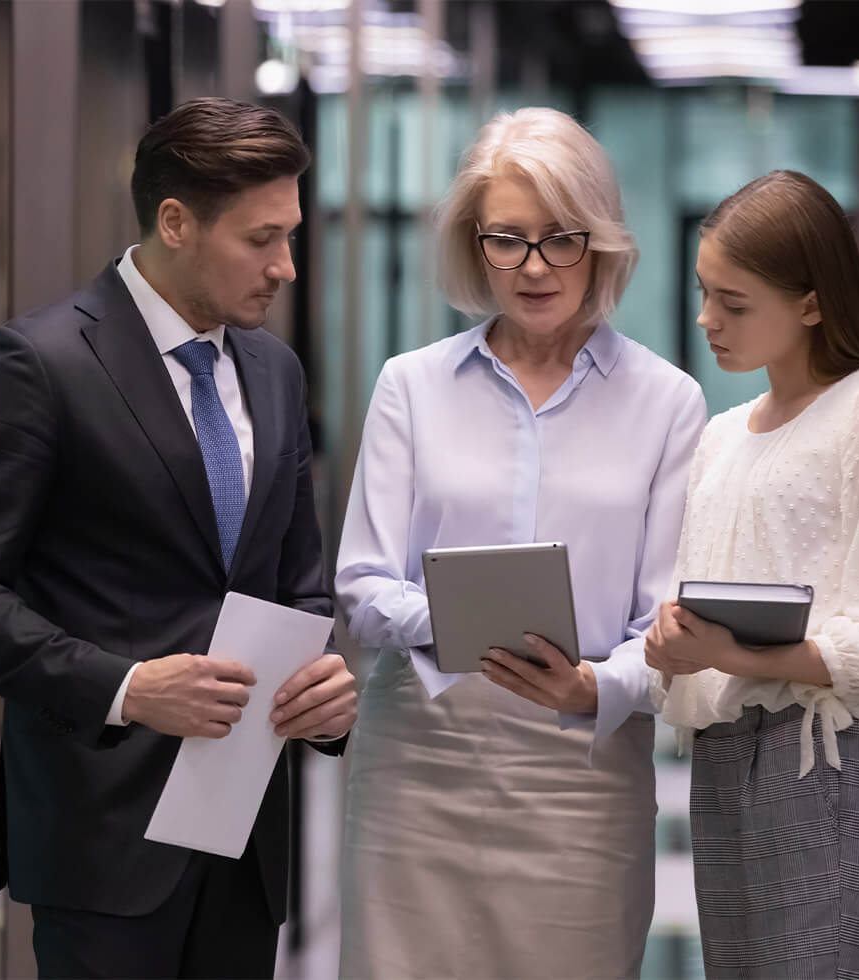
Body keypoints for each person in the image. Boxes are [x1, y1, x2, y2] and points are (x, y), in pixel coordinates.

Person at [0, 97, 357, 979]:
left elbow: (299, 584)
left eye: (289, 235)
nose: (285, 266)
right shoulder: (36, 365)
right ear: (175, 221)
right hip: (101, 835)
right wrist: (127, 687)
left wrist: (323, 686)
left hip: (246, 833)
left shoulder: (275, 372)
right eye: (261, 240)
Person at [334, 106, 707, 979]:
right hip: (419, 765)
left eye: (560, 240)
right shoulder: (410, 387)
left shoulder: (669, 403)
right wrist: (460, 620)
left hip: (581, 772)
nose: (534, 267)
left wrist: (591, 686)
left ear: (602, 243)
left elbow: (667, 619)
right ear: (476, 244)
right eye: (507, 239)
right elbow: (358, 583)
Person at [644, 170, 859, 979]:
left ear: (812, 302)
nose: (708, 322)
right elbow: (701, 602)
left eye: (734, 304)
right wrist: (674, 641)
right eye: (705, 295)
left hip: (833, 760)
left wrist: (732, 655)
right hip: (723, 754)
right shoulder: (722, 433)